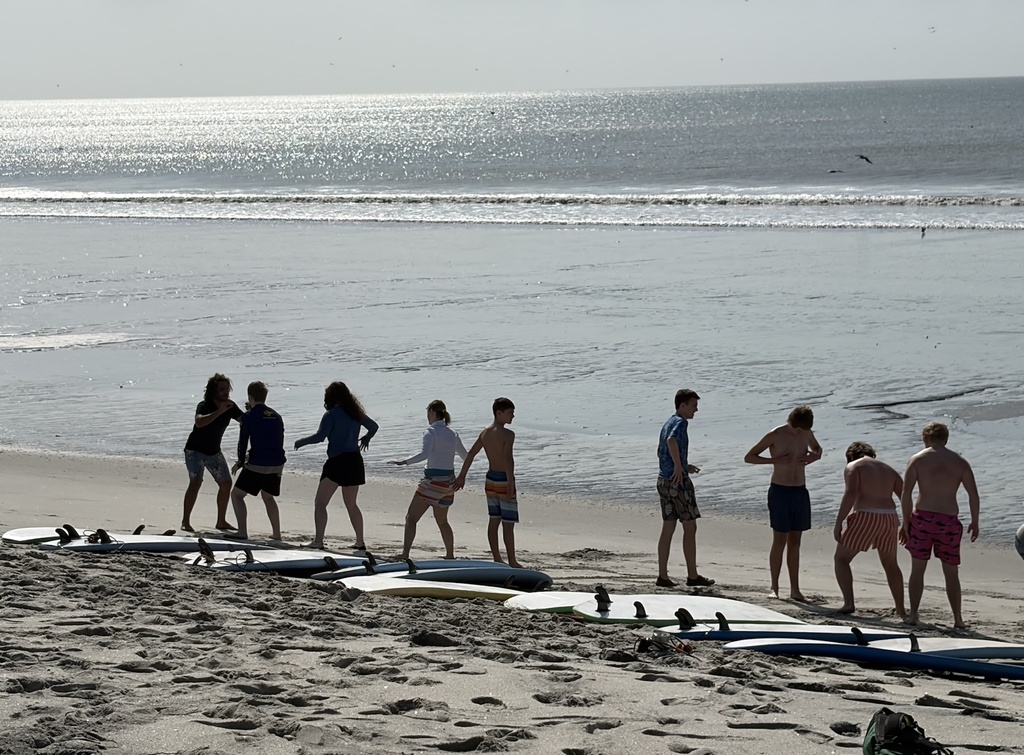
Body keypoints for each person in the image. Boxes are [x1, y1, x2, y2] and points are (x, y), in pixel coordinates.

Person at [900, 422, 980, 629]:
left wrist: (905, 522)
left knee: (917, 569)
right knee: (951, 572)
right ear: (946, 438)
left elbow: (906, 493)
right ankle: (958, 619)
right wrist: (975, 521)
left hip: (922, 520)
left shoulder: (917, 460)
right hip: (949, 522)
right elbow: (973, 494)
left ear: (926, 438)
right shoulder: (960, 462)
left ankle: (913, 615)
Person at [744, 405, 822, 600]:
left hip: (800, 491)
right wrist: (775, 460)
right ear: (791, 422)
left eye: (803, 431)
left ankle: (795, 590)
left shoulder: (806, 432)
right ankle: (774, 587)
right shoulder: (775, 434)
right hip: (780, 490)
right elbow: (749, 457)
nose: (799, 434)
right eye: (797, 430)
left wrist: (814, 456)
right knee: (779, 540)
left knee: (795, 542)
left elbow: (818, 449)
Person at [293, 381, 378, 550]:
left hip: (338, 462)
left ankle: (318, 541)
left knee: (320, 503)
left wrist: (301, 441)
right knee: (351, 504)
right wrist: (367, 437)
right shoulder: (355, 413)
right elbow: (374, 426)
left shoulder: (331, 414)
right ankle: (360, 542)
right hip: (355, 460)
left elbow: (320, 437)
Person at [388, 400, 469, 560]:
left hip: (432, 483)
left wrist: (404, 462)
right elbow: (466, 457)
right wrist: (462, 477)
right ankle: (450, 555)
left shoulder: (431, 432)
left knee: (411, 518)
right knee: (443, 521)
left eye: (428, 413)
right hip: (448, 484)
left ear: (432, 412)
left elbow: (424, 454)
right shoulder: (453, 434)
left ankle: (405, 554)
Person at [832, 442, 905, 616]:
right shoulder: (890, 470)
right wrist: (908, 524)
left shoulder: (853, 467)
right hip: (890, 517)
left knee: (841, 559)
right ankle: (901, 609)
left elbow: (850, 493)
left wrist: (839, 521)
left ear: (850, 456)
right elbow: (905, 497)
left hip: (866, 515)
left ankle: (849, 602)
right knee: (891, 564)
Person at [655, 389, 714, 588]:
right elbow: (671, 441)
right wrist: (680, 467)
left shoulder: (668, 422)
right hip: (677, 483)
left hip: (663, 480)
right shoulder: (680, 423)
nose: (696, 410)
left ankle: (663, 576)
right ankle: (692, 575)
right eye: (693, 405)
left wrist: (683, 464)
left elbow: (661, 450)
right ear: (682, 405)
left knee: (668, 527)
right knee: (690, 527)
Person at [452, 397, 520, 567]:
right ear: (499, 413)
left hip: (490, 480)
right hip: (504, 479)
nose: (513, 416)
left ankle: (497, 558)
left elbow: (470, 455)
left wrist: (462, 476)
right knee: (508, 524)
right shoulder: (508, 434)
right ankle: (511, 561)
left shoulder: (485, 433)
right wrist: (511, 481)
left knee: (494, 519)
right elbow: (508, 459)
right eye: (510, 413)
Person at [182, 373, 243, 532]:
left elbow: (244, 420)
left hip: (213, 451)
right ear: (213, 391)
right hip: (194, 451)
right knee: (195, 482)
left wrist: (254, 411)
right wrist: (219, 411)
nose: (226, 392)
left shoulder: (230, 406)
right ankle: (186, 521)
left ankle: (221, 521)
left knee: (226, 483)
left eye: (227, 389)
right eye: (222, 389)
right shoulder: (204, 405)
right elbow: (199, 422)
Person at [226, 381, 285, 541]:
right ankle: (277, 534)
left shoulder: (249, 416)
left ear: (250, 397)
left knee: (237, 495)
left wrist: (240, 461)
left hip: (259, 463)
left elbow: (243, 442)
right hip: (277, 463)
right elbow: (278, 440)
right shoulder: (276, 416)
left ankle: (242, 531)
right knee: (268, 496)